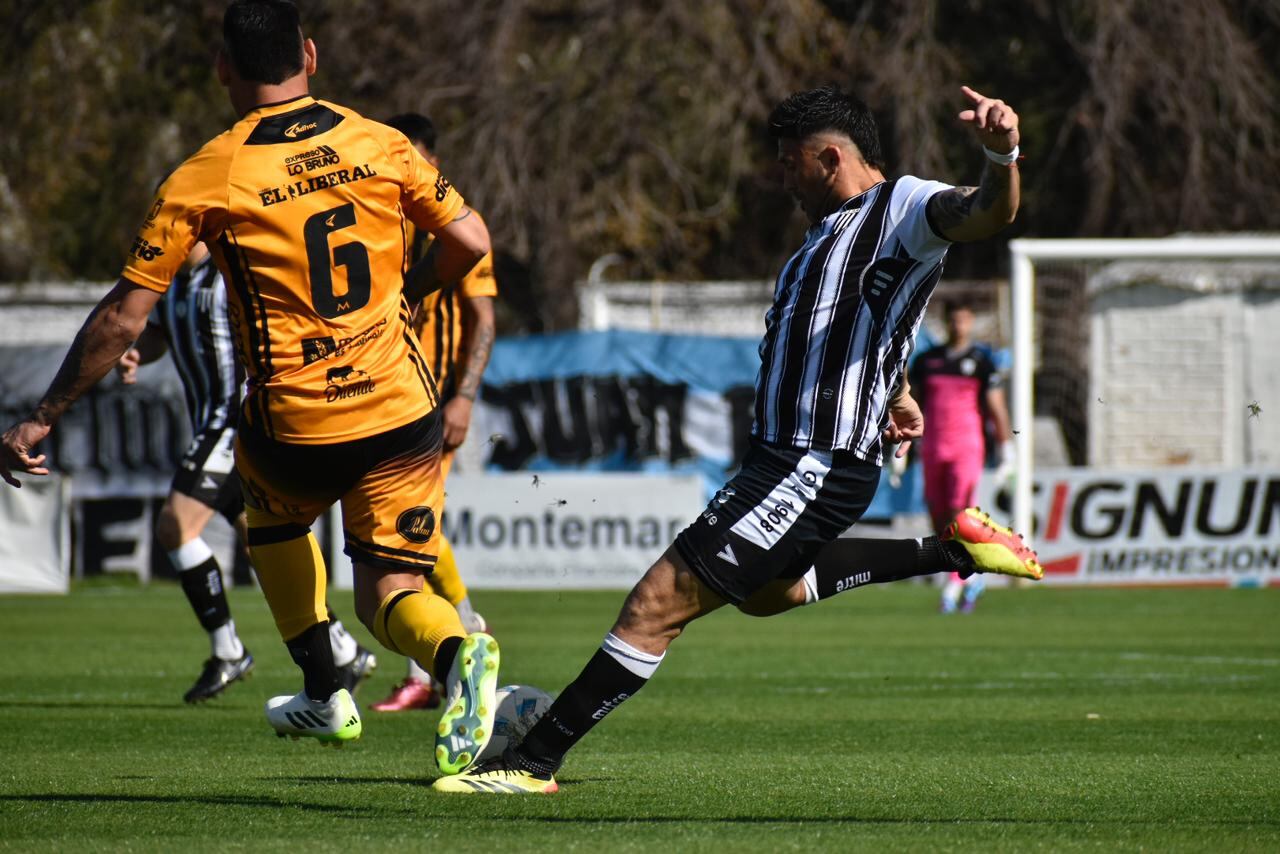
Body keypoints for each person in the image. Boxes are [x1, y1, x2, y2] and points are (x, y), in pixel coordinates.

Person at [434, 83, 1041, 794]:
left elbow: (984, 213)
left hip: (814, 461)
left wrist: (1003, 153)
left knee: (656, 603)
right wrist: (897, 389)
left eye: (789, 164)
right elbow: (875, 320)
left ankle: (530, 762)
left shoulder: (903, 207)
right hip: (788, 458)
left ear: (829, 158)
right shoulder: (823, 239)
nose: (783, 180)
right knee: (764, 594)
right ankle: (950, 549)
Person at [1, 0, 499, 773]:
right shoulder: (381, 142)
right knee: (389, 590)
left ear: (223, 69)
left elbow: (123, 319)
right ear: (310, 52)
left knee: (271, 525)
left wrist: (43, 416)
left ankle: (324, 690)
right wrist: (406, 290)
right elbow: (471, 241)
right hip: (402, 406)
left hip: (294, 421)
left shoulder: (208, 173)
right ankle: (458, 650)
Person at [116, 240, 377, 703]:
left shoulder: (231, 273)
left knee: (175, 527)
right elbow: (159, 333)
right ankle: (343, 647)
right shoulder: (173, 279)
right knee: (266, 547)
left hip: (234, 423)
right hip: (210, 423)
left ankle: (228, 650)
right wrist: (139, 353)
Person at [370, 113, 495, 713]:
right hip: (379, 400)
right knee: (405, 535)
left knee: (414, 532)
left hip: (431, 403)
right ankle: (449, 650)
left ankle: (458, 641)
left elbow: (484, 320)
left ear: (432, 167)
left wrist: (464, 397)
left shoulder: (456, 228)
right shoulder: (376, 225)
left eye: (412, 161)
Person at [909, 299, 1015, 614]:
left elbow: (996, 407)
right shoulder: (928, 361)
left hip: (966, 446)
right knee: (938, 519)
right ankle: (969, 577)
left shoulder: (982, 362)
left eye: (965, 320)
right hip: (932, 447)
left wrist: (1007, 446)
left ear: (971, 322)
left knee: (958, 514)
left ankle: (954, 585)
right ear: (947, 322)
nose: (959, 327)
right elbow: (912, 403)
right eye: (954, 320)